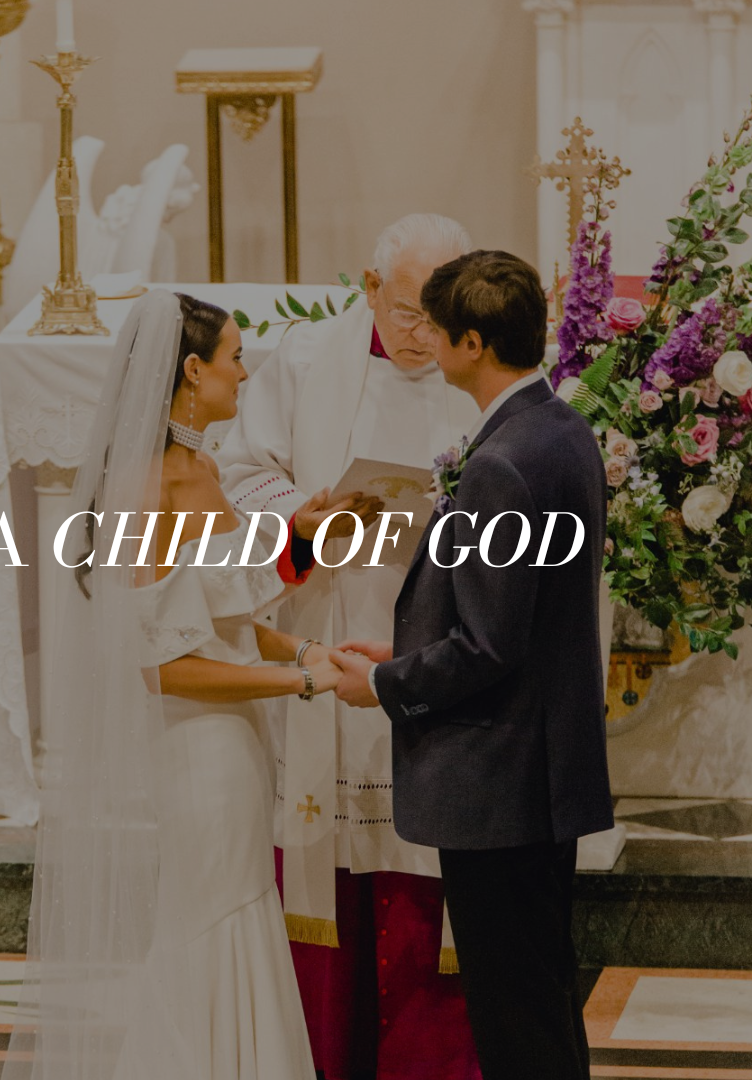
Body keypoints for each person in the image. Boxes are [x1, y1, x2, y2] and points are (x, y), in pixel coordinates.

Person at [5, 289, 345, 1080]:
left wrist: (301, 645)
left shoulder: (203, 466)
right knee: (207, 925)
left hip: (237, 744)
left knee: (238, 912)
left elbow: (219, 614)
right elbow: (162, 666)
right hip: (199, 751)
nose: (246, 373)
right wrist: (291, 682)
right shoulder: (152, 486)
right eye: (234, 358)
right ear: (193, 371)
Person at [331, 250, 613, 1080]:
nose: (424, 340)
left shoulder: (498, 464)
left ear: (475, 344)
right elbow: (521, 614)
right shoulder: (560, 429)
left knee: (514, 1010)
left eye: (437, 327)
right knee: (542, 992)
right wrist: (412, 647)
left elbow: (490, 646)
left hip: (497, 775)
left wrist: (384, 683)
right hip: (542, 766)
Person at [217, 214, 481, 1080]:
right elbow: (241, 472)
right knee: (328, 856)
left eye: (439, 312)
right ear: (368, 289)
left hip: (437, 638)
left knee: (422, 863)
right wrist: (301, 516)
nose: (423, 333)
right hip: (328, 627)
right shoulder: (300, 363)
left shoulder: (476, 365)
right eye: (408, 311)